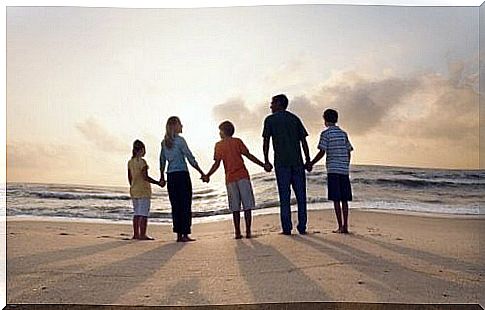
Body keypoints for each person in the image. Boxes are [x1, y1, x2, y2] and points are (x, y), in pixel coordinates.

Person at [202, 121, 267, 239]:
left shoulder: (219, 145)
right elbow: (248, 155)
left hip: (230, 178)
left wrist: (208, 175)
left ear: (223, 132)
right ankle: (248, 231)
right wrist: (263, 165)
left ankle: (237, 232)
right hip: (242, 176)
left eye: (220, 131)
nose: (219, 133)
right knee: (247, 205)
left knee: (235, 207)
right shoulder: (237, 141)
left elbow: (217, 164)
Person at [262, 94, 311, 235]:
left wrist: (266, 160)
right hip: (297, 162)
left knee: (284, 197)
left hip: (282, 163)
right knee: (301, 196)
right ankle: (302, 226)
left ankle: (287, 228)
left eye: (272, 103)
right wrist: (308, 160)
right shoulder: (294, 118)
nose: (270, 106)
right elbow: (303, 141)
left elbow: (266, 142)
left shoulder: (270, 120)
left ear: (278, 103)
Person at [307, 109, 354, 234]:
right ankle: (346, 226)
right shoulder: (343, 134)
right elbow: (349, 150)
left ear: (325, 120)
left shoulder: (326, 134)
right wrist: (346, 164)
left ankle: (340, 226)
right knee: (344, 199)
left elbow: (322, 151)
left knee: (336, 199)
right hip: (344, 170)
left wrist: (311, 163)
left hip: (333, 169)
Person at [159, 116, 205, 242]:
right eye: (180, 124)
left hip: (171, 176)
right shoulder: (180, 141)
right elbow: (190, 157)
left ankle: (179, 234)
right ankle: (185, 234)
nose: (182, 126)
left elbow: (162, 160)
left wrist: (162, 176)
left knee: (175, 205)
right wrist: (201, 172)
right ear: (175, 126)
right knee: (185, 204)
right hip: (182, 175)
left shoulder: (164, 142)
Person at [127, 140, 160, 240]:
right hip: (143, 190)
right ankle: (143, 234)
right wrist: (158, 183)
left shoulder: (130, 162)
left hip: (134, 189)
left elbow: (129, 177)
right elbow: (145, 177)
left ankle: (136, 234)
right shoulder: (142, 162)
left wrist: (133, 185)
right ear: (141, 150)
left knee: (137, 213)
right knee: (144, 214)